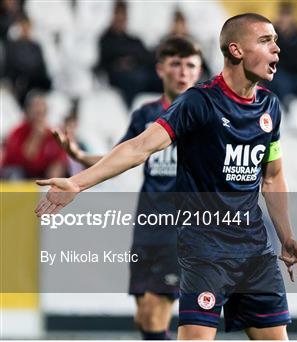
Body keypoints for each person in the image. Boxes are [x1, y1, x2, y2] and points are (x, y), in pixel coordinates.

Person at [35, 13, 297, 341]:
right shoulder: (199, 102)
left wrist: (286, 235)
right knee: (155, 320)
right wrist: (77, 181)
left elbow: (272, 178)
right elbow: (139, 147)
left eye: (275, 41)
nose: (277, 49)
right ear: (236, 50)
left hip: (254, 251)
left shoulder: (270, 107)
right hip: (205, 250)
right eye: (265, 41)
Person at [53, 37, 203, 340]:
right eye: (176, 64)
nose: (183, 72)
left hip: (181, 232)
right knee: (143, 318)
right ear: (160, 69)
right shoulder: (145, 115)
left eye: (190, 65)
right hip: (146, 226)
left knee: (153, 310)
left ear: (199, 72)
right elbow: (121, 157)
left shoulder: (205, 116)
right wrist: (81, 157)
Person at [96, 0, 153, 107]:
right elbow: (104, 61)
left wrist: (130, 60)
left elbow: (146, 56)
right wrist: (121, 62)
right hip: (118, 75)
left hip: (138, 72)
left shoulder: (133, 40)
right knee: (135, 78)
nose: (121, 19)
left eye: (123, 16)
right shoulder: (105, 39)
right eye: (118, 15)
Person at [1, 91, 66, 179]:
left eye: (41, 113)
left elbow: (59, 159)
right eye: (36, 112)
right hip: (20, 176)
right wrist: (35, 138)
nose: (39, 117)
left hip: (41, 176)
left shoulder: (52, 134)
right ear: (28, 112)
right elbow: (22, 162)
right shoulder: (17, 132)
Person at [4, 13, 51, 106]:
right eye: (23, 25)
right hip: (20, 86)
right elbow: (10, 68)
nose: (26, 29)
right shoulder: (11, 46)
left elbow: (42, 68)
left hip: (36, 84)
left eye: (28, 26)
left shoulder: (36, 46)